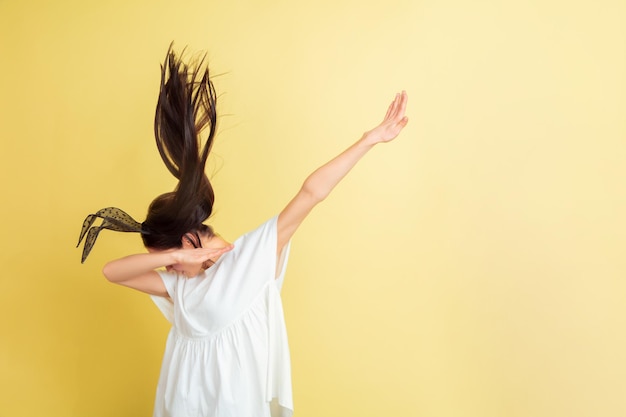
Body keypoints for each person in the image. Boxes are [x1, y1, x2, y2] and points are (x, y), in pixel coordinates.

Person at [77, 46, 408, 417]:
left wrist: (369, 139)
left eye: (169, 260)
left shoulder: (251, 257)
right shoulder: (181, 287)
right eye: (167, 264)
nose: (168, 270)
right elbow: (111, 272)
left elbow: (311, 193)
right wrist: (175, 257)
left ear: (189, 237)